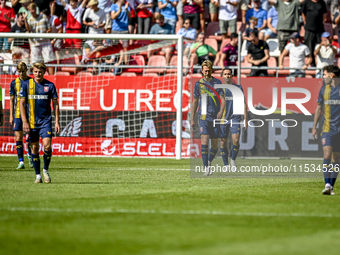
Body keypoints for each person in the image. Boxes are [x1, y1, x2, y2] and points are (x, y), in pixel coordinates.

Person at [19, 62, 60, 184]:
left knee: (47, 145)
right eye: (36, 71)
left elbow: (56, 104)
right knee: (35, 148)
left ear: (44, 72)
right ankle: (37, 175)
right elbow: (21, 103)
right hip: (31, 122)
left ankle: (45, 169)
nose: (38, 74)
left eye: (40, 71)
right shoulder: (27, 85)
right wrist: (24, 121)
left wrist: (57, 121)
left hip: (45, 121)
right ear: (33, 71)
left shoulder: (50, 85)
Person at [191, 60, 226, 175]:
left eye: (208, 70)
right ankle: (206, 168)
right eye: (205, 71)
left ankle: (209, 161)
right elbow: (195, 101)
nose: (206, 72)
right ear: (202, 71)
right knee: (204, 141)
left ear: (211, 70)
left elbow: (223, 99)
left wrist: (221, 110)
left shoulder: (217, 82)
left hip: (215, 117)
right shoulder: (198, 84)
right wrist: (192, 118)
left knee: (215, 145)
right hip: (203, 117)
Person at [312, 65, 340, 195]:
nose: (323, 77)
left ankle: (331, 187)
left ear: (331, 75)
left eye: (324, 74)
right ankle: (327, 184)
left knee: (337, 160)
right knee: (327, 156)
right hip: (327, 129)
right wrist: (314, 126)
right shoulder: (324, 89)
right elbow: (318, 108)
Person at [218, 68, 248, 171]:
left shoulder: (238, 88)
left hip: (235, 118)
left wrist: (245, 119)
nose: (227, 76)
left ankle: (233, 160)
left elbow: (244, 103)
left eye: (229, 74)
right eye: (225, 74)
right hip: (222, 119)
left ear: (232, 76)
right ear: (223, 76)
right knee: (223, 142)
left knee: (236, 140)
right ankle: (226, 165)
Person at [9, 62, 33, 169]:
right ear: (17, 71)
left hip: (30, 112)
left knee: (30, 137)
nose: (22, 73)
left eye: (23, 71)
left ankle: (30, 155)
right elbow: (11, 100)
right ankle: (21, 161)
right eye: (20, 71)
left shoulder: (32, 81)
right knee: (18, 136)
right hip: (18, 113)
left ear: (26, 70)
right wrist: (11, 115)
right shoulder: (14, 83)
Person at [25, 3, 55, 75]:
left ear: (35, 9)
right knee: (36, 63)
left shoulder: (44, 17)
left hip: (45, 42)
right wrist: (25, 20)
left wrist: (46, 31)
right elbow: (28, 29)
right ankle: (37, 79)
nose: (31, 11)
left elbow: (49, 29)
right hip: (35, 43)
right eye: (30, 10)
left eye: (32, 9)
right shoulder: (29, 19)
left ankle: (51, 78)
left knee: (49, 61)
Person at [301, 0, 327, 66]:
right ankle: (312, 65)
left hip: (320, 30)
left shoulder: (322, 2)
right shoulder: (307, 2)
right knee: (310, 49)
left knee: (321, 47)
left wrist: (323, 21)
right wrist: (305, 21)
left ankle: (321, 65)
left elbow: (324, 14)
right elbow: (303, 12)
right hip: (309, 30)